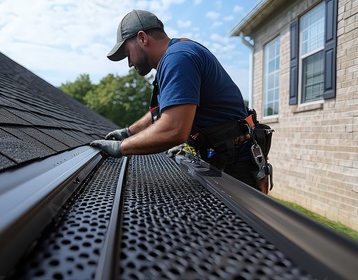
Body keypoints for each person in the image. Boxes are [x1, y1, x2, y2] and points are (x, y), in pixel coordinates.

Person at [91, 9, 269, 193]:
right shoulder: (177, 53)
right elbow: (162, 112)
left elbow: (174, 130)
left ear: (142, 38)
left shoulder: (178, 58)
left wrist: (121, 147)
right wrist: (128, 133)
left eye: (127, 53)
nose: (129, 63)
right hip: (223, 154)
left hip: (236, 162)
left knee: (234, 222)